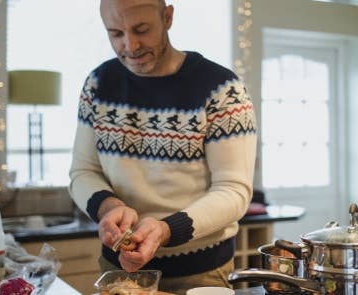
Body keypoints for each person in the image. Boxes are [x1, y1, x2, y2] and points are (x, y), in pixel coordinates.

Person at [68, 0, 257, 293]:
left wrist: (166, 230)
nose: (130, 45)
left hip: (199, 274)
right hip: (118, 271)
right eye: (116, 33)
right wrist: (110, 207)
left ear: (167, 17)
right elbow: (83, 171)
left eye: (141, 29)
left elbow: (234, 191)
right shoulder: (98, 84)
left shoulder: (222, 89)